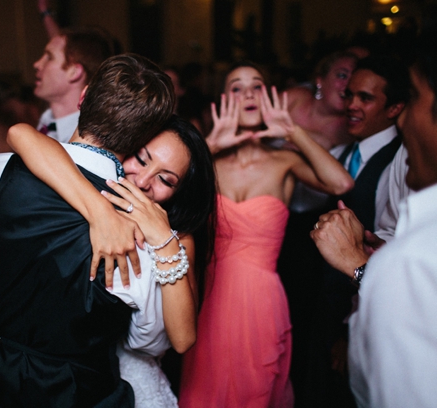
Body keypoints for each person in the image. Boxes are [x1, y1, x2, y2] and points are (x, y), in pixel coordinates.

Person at [0, 53, 176, 406]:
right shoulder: (142, 226)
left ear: (83, 98)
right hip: (87, 394)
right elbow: (149, 340)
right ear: (145, 139)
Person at [6, 115, 216, 407]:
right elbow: (20, 134)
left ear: (178, 193)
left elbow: (182, 339)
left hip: (124, 379)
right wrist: (99, 212)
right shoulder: (87, 179)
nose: (143, 181)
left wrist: (162, 238)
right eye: (141, 160)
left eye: (165, 179)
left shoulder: (180, 236)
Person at [178, 61, 353, 407]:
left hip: (262, 300)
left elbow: (341, 182)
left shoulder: (284, 162)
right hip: (209, 299)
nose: (248, 95)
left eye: (257, 86)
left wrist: (293, 132)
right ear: (223, 99)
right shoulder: (207, 163)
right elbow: (165, 198)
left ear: (270, 96)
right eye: (237, 87)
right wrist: (208, 145)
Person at [310, 36, 437, 407]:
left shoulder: (411, 261)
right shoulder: (343, 150)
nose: (404, 117)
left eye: (413, 99)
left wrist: (358, 265)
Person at [33, 26, 113, 143]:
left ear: (74, 72)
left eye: (49, 57)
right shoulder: (47, 120)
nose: (37, 64)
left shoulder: (90, 138)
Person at [286, 51, 358, 150]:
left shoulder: (351, 128)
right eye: (342, 76)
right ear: (320, 80)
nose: (347, 85)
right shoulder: (295, 97)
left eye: (353, 79)